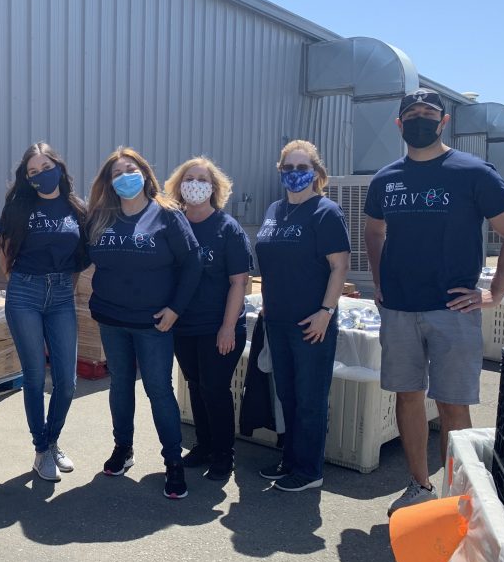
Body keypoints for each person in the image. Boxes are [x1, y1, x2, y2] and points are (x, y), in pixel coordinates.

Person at [364, 89, 504, 517]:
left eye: (428, 113)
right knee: (407, 397)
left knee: (453, 403)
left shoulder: (472, 172)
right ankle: (419, 487)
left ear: (443, 122)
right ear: (399, 124)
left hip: (453, 310)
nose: (420, 119)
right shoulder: (386, 179)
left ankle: (458, 497)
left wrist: (494, 293)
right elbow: (374, 231)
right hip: (399, 309)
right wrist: (381, 283)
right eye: (412, 114)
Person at [85, 147, 201, 499]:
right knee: (120, 385)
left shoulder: (166, 215)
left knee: (158, 391)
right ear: (109, 182)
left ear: (146, 174)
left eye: (130, 169)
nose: (125, 177)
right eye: (117, 173)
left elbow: (193, 261)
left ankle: (172, 462)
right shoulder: (101, 218)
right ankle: (124, 448)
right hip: (112, 319)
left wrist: (175, 309)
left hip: (154, 324)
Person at [254, 140, 351, 492]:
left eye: (302, 168)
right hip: (277, 319)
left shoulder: (325, 212)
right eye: (288, 168)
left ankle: (309, 470)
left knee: (310, 397)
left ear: (315, 172)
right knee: (288, 395)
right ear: (280, 171)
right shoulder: (274, 210)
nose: (295, 174)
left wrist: (326, 311)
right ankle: (290, 459)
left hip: (312, 321)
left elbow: (339, 266)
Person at [0, 142, 87, 482]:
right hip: (25, 293)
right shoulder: (19, 206)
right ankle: (41, 449)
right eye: (33, 172)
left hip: (62, 294)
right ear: (27, 178)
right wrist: (22, 281)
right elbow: (4, 250)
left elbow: (80, 255)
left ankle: (53, 440)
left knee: (66, 381)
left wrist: (65, 285)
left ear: (59, 168)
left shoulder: (76, 207)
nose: (40, 176)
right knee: (35, 376)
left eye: (46, 167)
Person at [163, 157, 252, 481]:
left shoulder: (227, 228)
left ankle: (223, 455)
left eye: (202, 179)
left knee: (215, 389)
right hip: (184, 326)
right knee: (196, 387)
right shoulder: (173, 224)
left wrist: (228, 327)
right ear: (178, 185)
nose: (195, 184)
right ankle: (203, 445)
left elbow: (239, 283)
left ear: (213, 188)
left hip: (219, 327)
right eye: (189, 178)